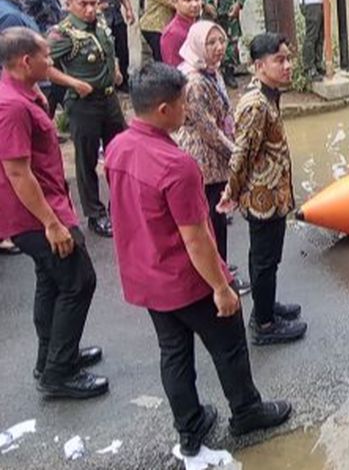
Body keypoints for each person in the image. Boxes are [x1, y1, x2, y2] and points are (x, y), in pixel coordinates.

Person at [105, 62, 292, 458]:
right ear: (163, 111)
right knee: (228, 347)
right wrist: (221, 287)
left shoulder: (119, 146)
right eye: (181, 105)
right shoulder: (177, 166)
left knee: (173, 353)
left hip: (146, 276)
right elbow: (196, 238)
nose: (186, 112)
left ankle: (190, 429)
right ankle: (246, 411)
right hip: (186, 279)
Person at [0, 28, 108, 399]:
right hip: (35, 213)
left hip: (49, 202)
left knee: (52, 281)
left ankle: (53, 357)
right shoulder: (11, 105)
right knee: (79, 280)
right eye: (46, 56)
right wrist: (51, 223)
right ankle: (59, 373)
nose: (52, 62)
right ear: (25, 61)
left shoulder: (26, 92)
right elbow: (16, 171)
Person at [218, 33, 307, 345]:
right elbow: (242, 154)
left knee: (270, 259)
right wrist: (231, 191)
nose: (287, 65)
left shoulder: (270, 94)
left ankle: (266, 307)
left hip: (274, 193)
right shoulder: (255, 105)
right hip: (261, 197)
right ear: (259, 65)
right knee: (264, 260)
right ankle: (264, 325)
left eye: (287, 58)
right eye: (279, 60)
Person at [49, 0, 127, 238]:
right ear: (69, 4)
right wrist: (72, 83)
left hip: (109, 100)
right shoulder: (63, 33)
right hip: (83, 104)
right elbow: (43, 65)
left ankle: (122, 206)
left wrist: (115, 68)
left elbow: (108, 48)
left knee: (121, 154)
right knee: (87, 160)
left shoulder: (101, 24)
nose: (90, 9)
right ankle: (96, 214)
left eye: (93, 2)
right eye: (83, 4)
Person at [175, 21, 248, 293]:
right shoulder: (194, 82)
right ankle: (221, 279)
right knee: (213, 223)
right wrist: (238, 154)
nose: (219, 48)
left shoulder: (210, 72)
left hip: (216, 157)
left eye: (222, 41)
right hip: (204, 161)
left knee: (216, 222)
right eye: (211, 43)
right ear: (197, 45)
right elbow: (209, 131)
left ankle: (220, 266)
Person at [160, 0, 204, 67]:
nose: (195, 4)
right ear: (174, 2)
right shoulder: (173, 34)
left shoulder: (198, 25)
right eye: (188, 0)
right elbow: (175, 70)